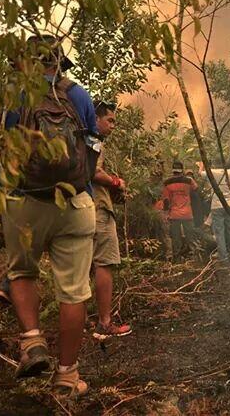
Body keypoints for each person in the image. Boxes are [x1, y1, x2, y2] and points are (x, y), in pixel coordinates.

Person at [0, 34, 98, 397]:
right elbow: (92, 152)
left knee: (21, 271)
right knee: (74, 292)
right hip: (75, 204)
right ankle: (67, 376)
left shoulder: (3, 97)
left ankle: (32, 342)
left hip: (23, 200)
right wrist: (82, 190)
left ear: (22, 63)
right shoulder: (78, 95)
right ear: (58, 62)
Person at [90, 99, 132, 340]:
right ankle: (104, 323)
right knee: (104, 263)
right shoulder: (93, 140)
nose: (113, 126)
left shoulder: (78, 139)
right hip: (98, 210)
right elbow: (93, 171)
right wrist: (116, 182)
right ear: (96, 118)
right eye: (110, 120)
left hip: (81, 209)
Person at [199, 160, 230, 261]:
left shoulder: (212, 173)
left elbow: (200, 173)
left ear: (216, 164)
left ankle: (223, 256)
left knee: (219, 232)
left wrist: (201, 165)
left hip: (217, 205)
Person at [161, 161, 198, 259]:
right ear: (182, 170)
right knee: (190, 235)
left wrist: (166, 214)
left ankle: (177, 257)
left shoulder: (167, 182)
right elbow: (196, 189)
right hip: (187, 213)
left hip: (174, 214)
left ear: (173, 170)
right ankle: (193, 256)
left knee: (176, 237)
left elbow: (166, 200)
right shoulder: (189, 180)